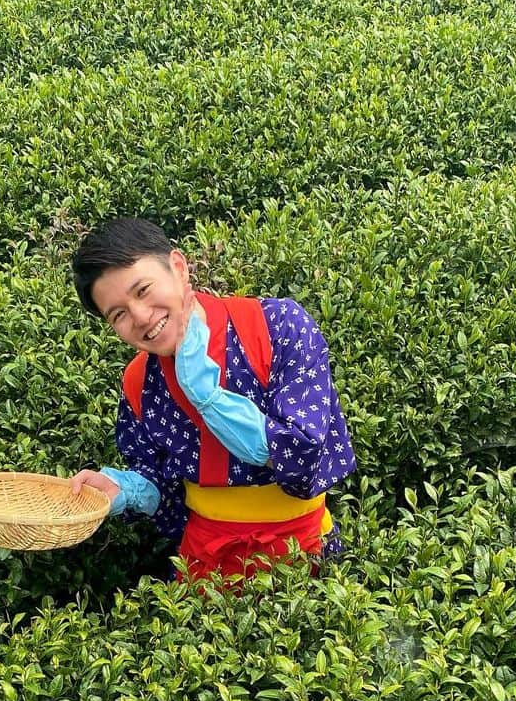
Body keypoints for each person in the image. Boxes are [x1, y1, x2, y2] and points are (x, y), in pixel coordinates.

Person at [70, 218, 356, 585]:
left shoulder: (279, 327)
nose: (140, 317)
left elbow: (300, 451)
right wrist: (125, 490)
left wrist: (207, 396)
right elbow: (165, 490)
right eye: (118, 315)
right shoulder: (139, 382)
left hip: (304, 549)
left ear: (178, 267)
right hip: (205, 562)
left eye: (142, 290)